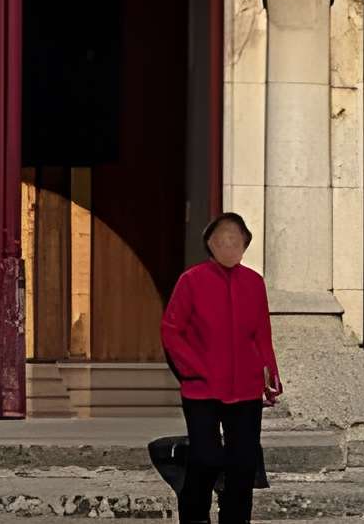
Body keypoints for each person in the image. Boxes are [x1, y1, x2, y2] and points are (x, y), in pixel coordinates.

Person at [159, 211, 282, 524]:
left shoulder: (254, 283)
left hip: (245, 388)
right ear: (210, 245)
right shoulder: (191, 281)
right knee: (207, 457)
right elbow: (171, 330)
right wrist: (193, 368)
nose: (229, 247)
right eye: (222, 241)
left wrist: (270, 376)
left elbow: (261, 334)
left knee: (243, 463)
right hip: (202, 388)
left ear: (245, 245)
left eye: (235, 241)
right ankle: (195, 515)